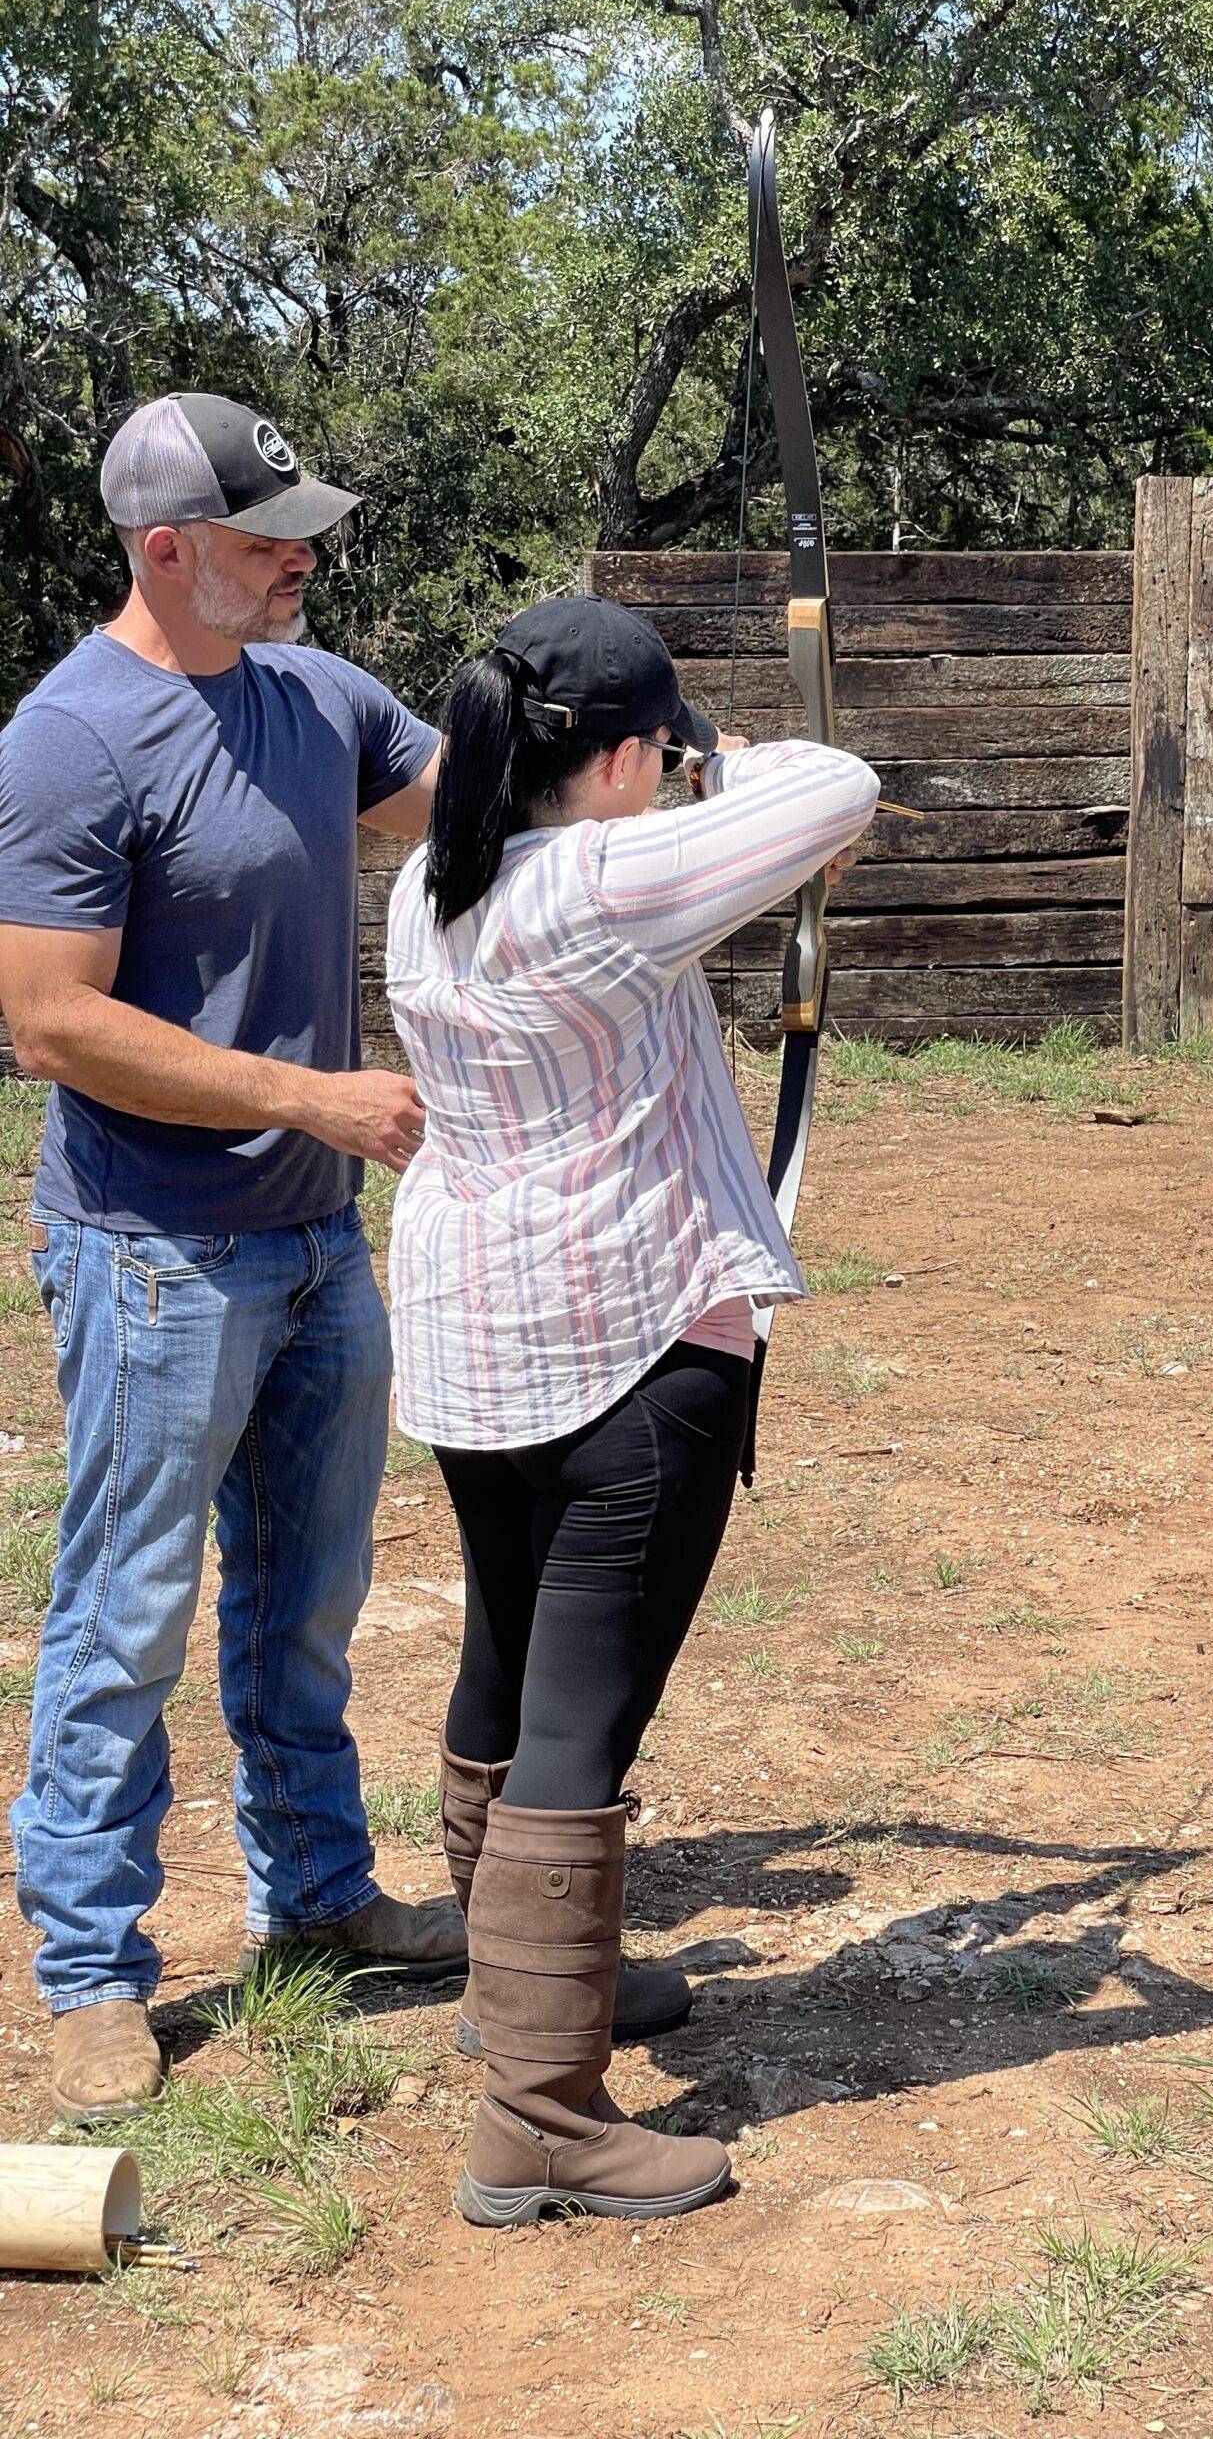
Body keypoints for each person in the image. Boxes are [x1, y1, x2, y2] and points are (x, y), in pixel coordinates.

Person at [385, 594, 877, 2226]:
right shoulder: (603, 882)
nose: (673, 781)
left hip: (479, 1336)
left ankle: (519, 1993)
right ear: (609, 763)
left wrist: (698, 797)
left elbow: (739, 854)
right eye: (654, 757)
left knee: (509, 1659)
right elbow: (838, 783)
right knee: (581, 1715)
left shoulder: (432, 884)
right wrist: (722, 762)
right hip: (622, 1341)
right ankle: (540, 2118)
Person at [0, 393, 462, 2123]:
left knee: (310, 1603)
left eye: (304, 533)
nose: (306, 560)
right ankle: (94, 1971)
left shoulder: (315, 700)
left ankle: (323, 1899)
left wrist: (687, 769)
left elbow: (476, 797)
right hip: (153, 1255)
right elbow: (47, 1024)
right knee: (124, 1618)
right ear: (164, 548)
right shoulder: (70, 741)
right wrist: (305, 1097)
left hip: (312, 1243)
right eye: (272, 538)